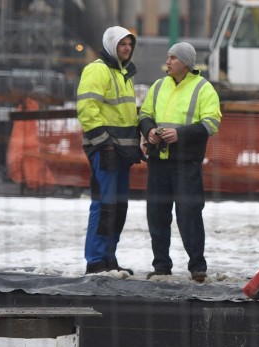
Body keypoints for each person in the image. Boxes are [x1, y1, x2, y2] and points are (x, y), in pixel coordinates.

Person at [138, 42, 221, 282]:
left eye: (173, 57)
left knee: (189, 214)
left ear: (185, 63)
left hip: (186, 163)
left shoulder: (204, 89)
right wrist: (150, 131)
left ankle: (197, 267)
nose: (168, 61)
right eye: (168, 57)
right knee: (157, 215)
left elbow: (211, 122)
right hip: (159, 161)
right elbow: (144, 115)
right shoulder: (158, 86)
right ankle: (161, 265)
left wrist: (180, 134)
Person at [76, 26, 142, 275]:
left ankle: (108, 258)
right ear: (111, 45)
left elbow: (124, 114)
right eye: (121, 44)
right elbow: (87, 109)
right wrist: (103, 142)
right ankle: (95, 260)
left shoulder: (123, 73)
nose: (126, 48)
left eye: (129, 44)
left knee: (118, 207)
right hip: (105, 149)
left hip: (121, 151)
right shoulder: (97, 70)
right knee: (104, 205)